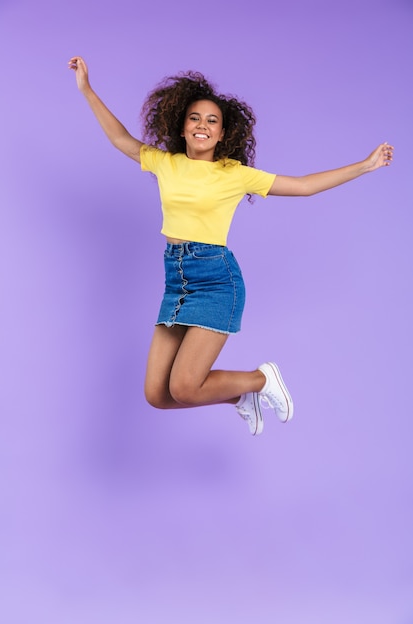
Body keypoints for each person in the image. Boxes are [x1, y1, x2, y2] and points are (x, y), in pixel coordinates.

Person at [68, 56, 394, 436]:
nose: (202, 125)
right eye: (194, 118)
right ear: (182, 126)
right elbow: (121, 138)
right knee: (158, 394)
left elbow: (304, 185)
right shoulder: (165, 163)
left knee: (185, 386)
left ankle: (260, 379)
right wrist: (87, 90)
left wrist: (364, 166)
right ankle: (241, 397)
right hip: (176, 281)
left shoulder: (234, 174)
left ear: (223, 134)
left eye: (211, 121)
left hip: (215, 279)